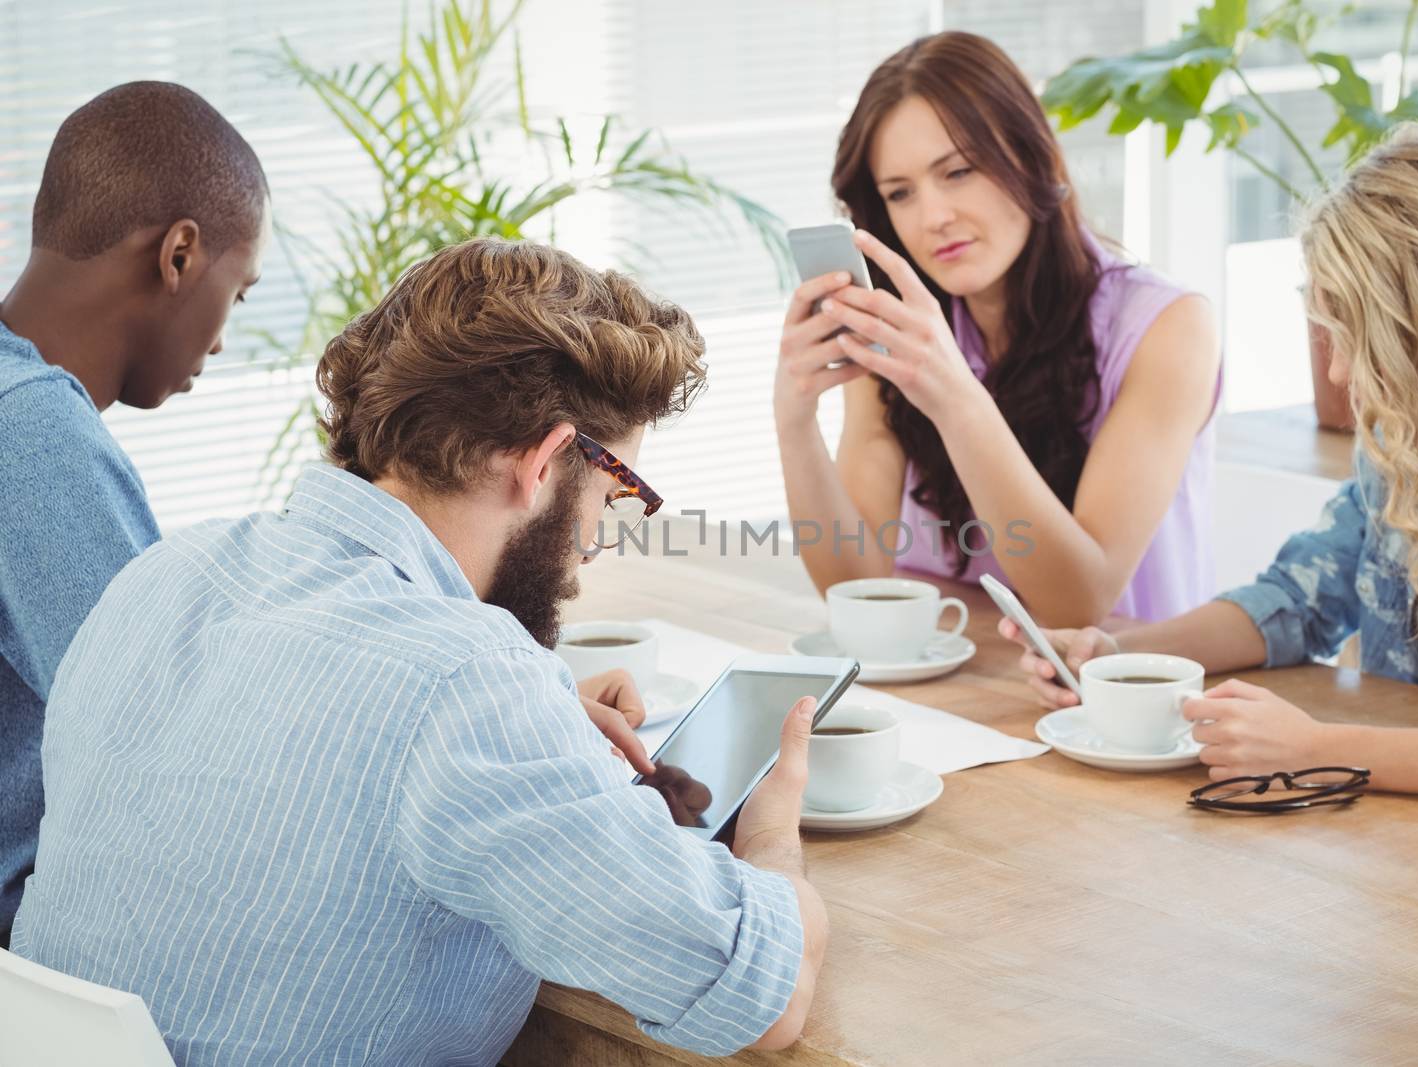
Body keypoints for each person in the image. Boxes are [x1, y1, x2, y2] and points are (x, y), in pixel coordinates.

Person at [12, 238, 828, 1062]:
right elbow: (765, 995)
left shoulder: (163, 576)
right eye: (616, 498)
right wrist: (768, 833)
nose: (594, 545)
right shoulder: (464, 684)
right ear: (547, 461)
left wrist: (536, 724)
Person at [1005, 125, 1418, 807]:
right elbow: (1299, 598)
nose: (1340, 372)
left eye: (1355, 334)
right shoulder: (1413, 437)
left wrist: (1321, 750)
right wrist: (1120, 655)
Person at [776, 31, 1221, 628]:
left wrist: (956, 397)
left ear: (1030, 154)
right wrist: (794, 422)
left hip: (1120, 697)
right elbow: (854, 585)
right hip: (969, 682)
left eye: (957, 171)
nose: (933, 217)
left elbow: (1078, 604)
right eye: (900, 194)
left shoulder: (1168, 327)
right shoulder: (903, 325)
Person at [0, 81, 268, 944]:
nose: (223, 337)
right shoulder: (31, 431)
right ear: (180, 255)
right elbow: (173, 734)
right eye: (242, 289)